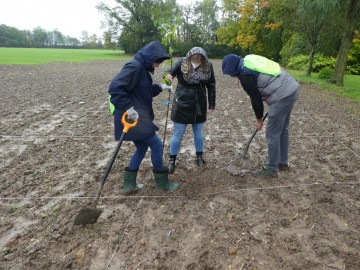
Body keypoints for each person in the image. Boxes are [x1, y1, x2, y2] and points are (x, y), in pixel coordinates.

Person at [108, 41, 180, 194]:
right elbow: (115, 88)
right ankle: (162, 184)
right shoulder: (135, 67)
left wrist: (160, 87)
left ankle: (130, 185)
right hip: (133, 118)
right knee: (157, 145)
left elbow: (142, 91)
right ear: (150, 57)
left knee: (141, 147)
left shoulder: (141, 68)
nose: (158, 66)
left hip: (136, 116)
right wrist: (129, 109)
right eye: (157, 62)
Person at [222, 54, 300, 178]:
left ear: (234, 70)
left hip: (282, 95)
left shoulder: (245, 77)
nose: (233, 76)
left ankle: (271, 169)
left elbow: (256, 98)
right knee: (283, 129)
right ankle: (283, 163)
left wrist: (259, 119)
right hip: (291, 88)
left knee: (272, 133)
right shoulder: (248, 60)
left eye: (232, 74)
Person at [164, 47, 216, 174]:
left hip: (200, 101)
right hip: (182, 100)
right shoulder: (181, 61)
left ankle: (199, 156)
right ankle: (172, 160)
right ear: (189, 57)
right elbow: (168, 72)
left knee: (198, 132)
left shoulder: (208, 65)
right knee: (178, 133)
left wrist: (211, 104)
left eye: (199, 60)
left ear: (203, 59)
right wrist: (168, 76)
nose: (196, 62)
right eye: (194, 59)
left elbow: (211, 85)